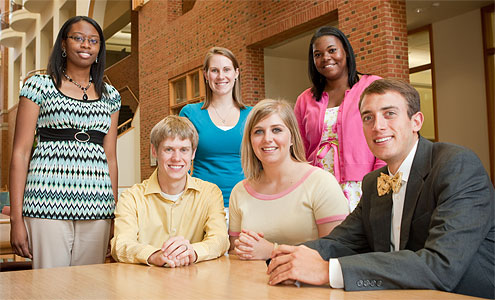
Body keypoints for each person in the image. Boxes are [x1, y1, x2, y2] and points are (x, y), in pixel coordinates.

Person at [267, 79, 495, 299]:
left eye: (389, 114)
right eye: (368, 117)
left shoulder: (457, 166)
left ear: (416, 121)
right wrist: (285, 257)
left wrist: (328, 271)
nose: (378, 126)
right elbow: (341, 242)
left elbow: (441, 265)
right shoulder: (374, 182)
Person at [9, 16, 120, 269]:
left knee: (91, 288)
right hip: (45, 203)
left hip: (97, 205)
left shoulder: (110, 95)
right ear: (63, 44)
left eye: (93, 41)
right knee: (50, 288)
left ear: (100, 48)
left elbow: (110, 157)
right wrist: (17, 219)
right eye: (78, 38)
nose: (86, 45)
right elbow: (20, 153)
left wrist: (114, 215)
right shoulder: (38, 86)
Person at [229, 99, 349, 260]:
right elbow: (235, 253)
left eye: (277, 130)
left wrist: (273, 251)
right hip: (251, 281)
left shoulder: (321, 183)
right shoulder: (239, 191)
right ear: (250, 141)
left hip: (308, 284)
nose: (267, 139)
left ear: (292, 138)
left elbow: (338, 250)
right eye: (258, 131)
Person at [111, 115, 229, 267]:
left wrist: (191, 252)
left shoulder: (210, 193)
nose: (176, 158)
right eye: (168, 149)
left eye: (184, 150)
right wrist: (154, 255)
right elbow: (120, 244)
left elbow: (220, 240)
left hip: (195, 282)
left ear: (193, 153)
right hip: (145, 283)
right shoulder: (132, 198)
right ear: (154, 151)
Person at [294, 26, 386, 212]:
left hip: (361, 184)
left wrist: (380, 177)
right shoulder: (305, 99)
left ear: (345, 51)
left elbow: (383, 132)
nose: (325, 58)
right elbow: (298, 147)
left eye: (332, 50)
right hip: (317, 186)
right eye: (317, 54)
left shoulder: (372, 86)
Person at [180, 47, 252, 212]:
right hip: (201, 204)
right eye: (214, 70)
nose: (221, 76)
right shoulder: (190, 113)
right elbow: (180, 158)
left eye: (226, 69)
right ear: (206, 75)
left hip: (245, 204)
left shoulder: (252, 115)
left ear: (236, 73)